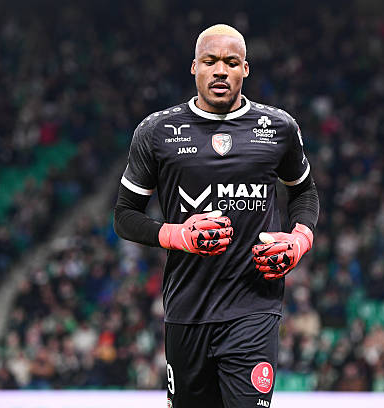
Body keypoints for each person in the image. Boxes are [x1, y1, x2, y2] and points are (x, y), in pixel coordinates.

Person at [114, 24, 319, 407]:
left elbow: (304, 192)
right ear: (194, 67)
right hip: (187, 309)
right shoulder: (157, 131)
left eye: (231, 62)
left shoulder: (278, 128)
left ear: (246, 69)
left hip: (254, 307)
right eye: (210, 61)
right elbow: (124, 215)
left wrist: (299, 240)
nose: (220, 70)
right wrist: (178, 235)